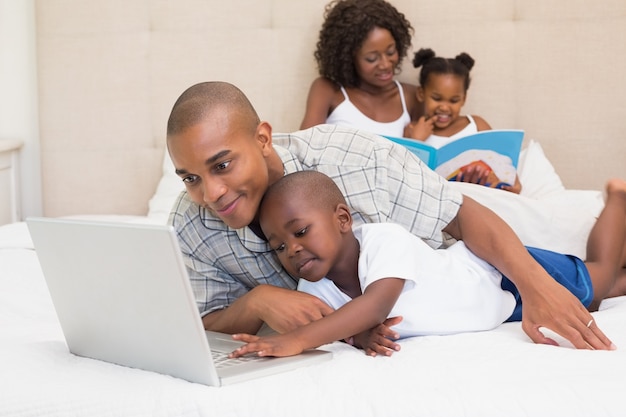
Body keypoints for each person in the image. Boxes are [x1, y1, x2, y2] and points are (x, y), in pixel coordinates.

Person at [166, 80, 615, 351]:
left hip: (477, 258)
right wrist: (256, 301)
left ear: (263, 139)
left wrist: (538, 288)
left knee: (595, 282)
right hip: (453, 306)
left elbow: (460, 214)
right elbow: (198, 320)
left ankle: (616, 204)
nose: (211, 194)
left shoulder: (352, 157)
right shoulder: (189, 224)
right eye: (190, 178)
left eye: (222, 165)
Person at [229, 171, 626, 357]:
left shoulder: (384, 241)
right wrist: (361, 338)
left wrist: (296, 340)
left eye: (300, 232)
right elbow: (344, 325)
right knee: (598, 295)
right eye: (279, 246)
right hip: (500, 313)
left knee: (600, 281)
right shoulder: (311, 289)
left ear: (343, 220)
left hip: (498, 277)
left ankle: (617, 198)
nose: (292, 251)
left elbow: (375, 306)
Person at [405, 48, 522, 193]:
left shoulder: (476, 124)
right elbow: (405, 177)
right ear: (421, 94)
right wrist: (417, 141)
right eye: (436, 99)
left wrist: (513, 185)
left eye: (454, 100)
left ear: (464, 99)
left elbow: (500, 162)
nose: (444, 107)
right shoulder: (412, 129)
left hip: (482, 197)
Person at [299, 0, 422, 136]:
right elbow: (304, 148)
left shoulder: (411, 96)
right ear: (348, 58)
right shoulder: (329, 91)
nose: (386, 64)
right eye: (372, 58)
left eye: (391, 52)